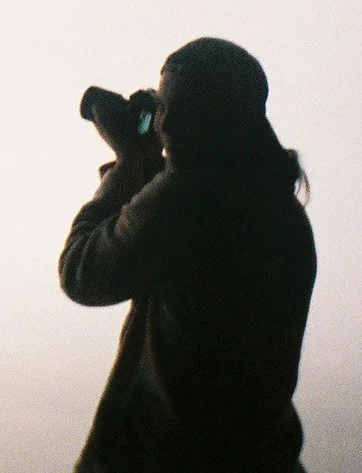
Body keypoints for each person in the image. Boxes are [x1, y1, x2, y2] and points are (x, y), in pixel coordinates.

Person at [60, 37, 316, 473]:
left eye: (190, 108)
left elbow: (82, 272)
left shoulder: (186, 200)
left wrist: (127, 163)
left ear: (226, 117)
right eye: (165, 108)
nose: (170, 125)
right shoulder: (276, 204)